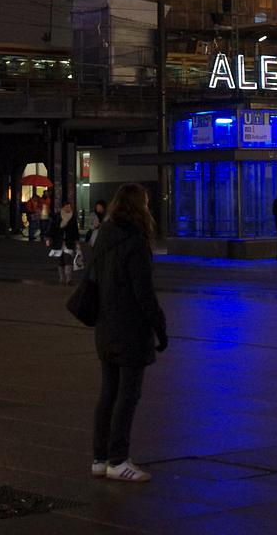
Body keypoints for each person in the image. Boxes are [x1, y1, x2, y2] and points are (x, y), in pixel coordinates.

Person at [91, 182, 167, 482]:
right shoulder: (135, 241)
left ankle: (100, 457)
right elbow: (144, 292)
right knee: (128, 394)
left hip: (106, 324)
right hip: (130, 327)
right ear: (140, 207)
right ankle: (118, 459)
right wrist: (159, 327)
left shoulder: (104, 237)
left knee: (108, 392)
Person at [46, 202, 80, 283]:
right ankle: (62, 277)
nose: (69, 209)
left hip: (69, 241)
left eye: (70, 207)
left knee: (68, 258)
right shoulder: (57, 216)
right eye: (67, 207)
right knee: (60, 259)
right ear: (63, 207)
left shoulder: (72, 218)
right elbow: (52, 228)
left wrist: (76, 241)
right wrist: (48, 238)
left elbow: (75, 231)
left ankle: (68, 277)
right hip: (58, 241)